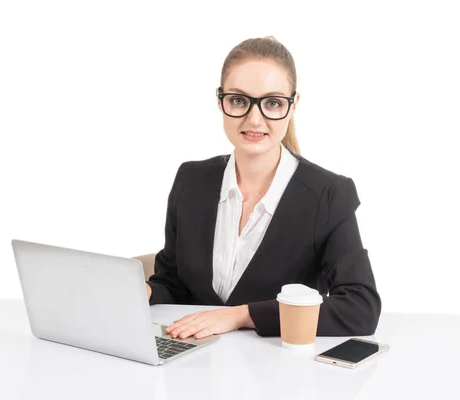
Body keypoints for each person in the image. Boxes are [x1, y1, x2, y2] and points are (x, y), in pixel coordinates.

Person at [145, 36, 381, 340]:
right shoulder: (191, 180)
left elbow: (360, 309)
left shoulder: (328, 195)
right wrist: (144, 291)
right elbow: (174, 285)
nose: (254, 119)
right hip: (191, 364)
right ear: (220, 101)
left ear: (293, 106)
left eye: (272, 103)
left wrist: (242, 315)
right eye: (239, 100)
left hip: (276, 374)